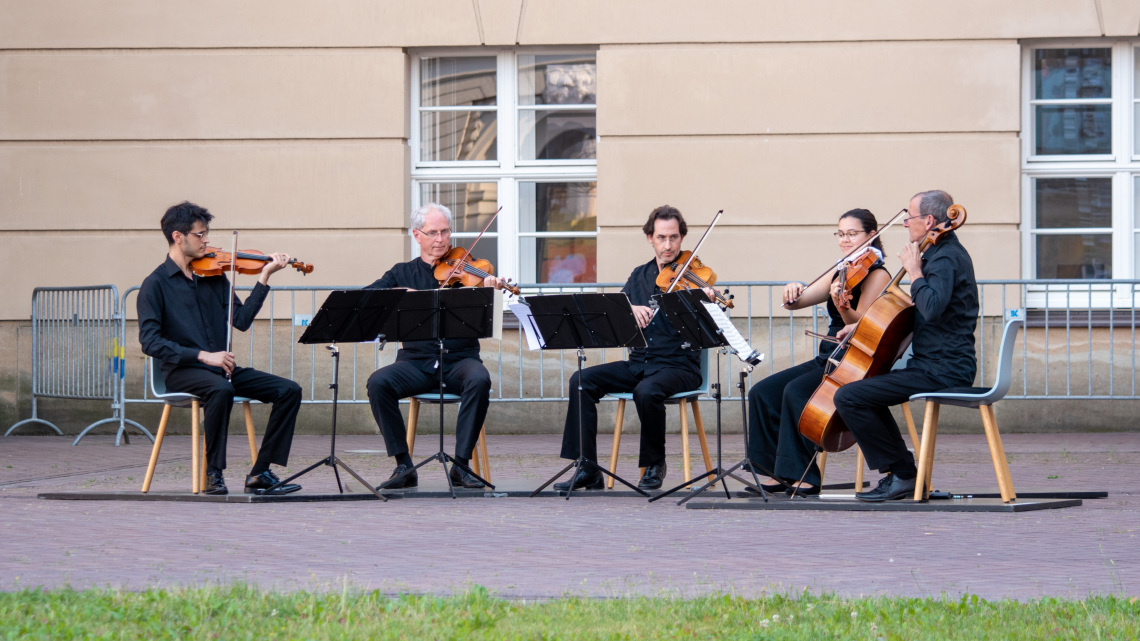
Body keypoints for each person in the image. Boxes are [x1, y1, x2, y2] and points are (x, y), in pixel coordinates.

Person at [137, 201, 303, 496]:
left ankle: (260, 472)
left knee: (289, 390)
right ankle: (214, 472)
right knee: (220, 390)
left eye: (206, 234)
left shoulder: (213, 276)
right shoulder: (155, 285)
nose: (206, 240)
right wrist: (202, 355)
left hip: (222, 370)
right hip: (182, 371)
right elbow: (150, 341)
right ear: (178, 237)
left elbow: (241, 320)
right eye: (200, 235)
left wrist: (264, 278)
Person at [833, 190, 979, 502]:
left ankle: (903, 475)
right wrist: (862, 326)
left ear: (928, 221)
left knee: (850, 395)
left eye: (909, 217)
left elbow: (931, 307)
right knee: (861, 391)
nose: (904, 223)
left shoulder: (946, 258)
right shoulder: (938, 254)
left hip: (943, 369)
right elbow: (911, 315)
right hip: (932, 364)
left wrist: (914, 271)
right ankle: (902, 474)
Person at [555, 205, 705, 491]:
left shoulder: (693, 276)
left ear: (682, 238)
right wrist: (630, 309)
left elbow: (707, 325)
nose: (668, 245)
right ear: (650, 237)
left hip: (679, 366)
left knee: (646, 391)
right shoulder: (639, 276)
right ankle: (587, 467)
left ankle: (653, 465)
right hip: (640, 364)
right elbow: (615, 311)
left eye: (673, 237)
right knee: (581, 381)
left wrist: (704, 299)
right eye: (661, 237)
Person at [744, 209, 891, 496]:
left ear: (871, 235)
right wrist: (793, 290)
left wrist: (842, 303)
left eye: (852, 234)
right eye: (841, 234)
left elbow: (859, 325)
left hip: (853, 359)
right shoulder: (843, 269)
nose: (845, 240)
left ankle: (805, 476)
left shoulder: (878, 274)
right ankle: (771, 473)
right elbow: (798, 302)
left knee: (796, 392)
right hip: (828, 357)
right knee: (761, 392)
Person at [365, 203, 505, 490]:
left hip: (460, 360)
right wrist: (399, 294)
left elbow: (487, 317)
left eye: (445, 231)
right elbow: (368, 298)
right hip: (415, 362)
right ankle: (403, 465)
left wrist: (489, 290)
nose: (441, 239)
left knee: (479, 379)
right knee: (379, 382)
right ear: (417, 235)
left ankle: (461, 466)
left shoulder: (472, 271)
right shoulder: (401, 273)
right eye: (433, 233)